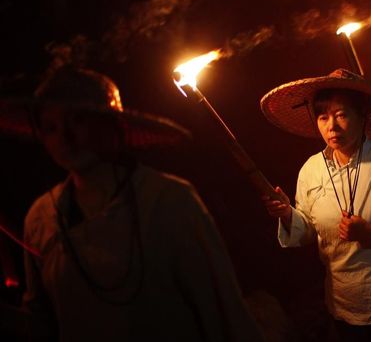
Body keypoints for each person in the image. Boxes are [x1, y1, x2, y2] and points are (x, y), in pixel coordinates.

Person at [0, 67, 263, 342]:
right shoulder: (41, 218)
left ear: (110, 124)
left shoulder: (169, 199)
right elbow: (43, 323)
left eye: (77, 120)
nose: (64, 137)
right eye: (50, 127)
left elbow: (224, 311)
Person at [259, 68, 371, 342]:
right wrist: (287, 214)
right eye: (323, 117)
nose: (332, 126)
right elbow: (308, 230)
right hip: (345, 307)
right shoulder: (311, 170)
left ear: (362, 116)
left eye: (342, 115)